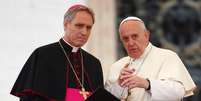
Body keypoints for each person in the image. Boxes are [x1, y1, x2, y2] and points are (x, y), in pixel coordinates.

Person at [10, 4, 104, 101]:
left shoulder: (94, 63)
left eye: (88, 27)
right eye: (79, 25)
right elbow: (28, 98)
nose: (84, 32)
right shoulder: (43, 55)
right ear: (65, 24)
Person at [105, 16, 196, 101]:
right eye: (125, 39)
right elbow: (106, 98)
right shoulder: (116, 66)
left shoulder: (168, 56)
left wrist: (147, 84)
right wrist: (119, 85)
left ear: (146, 35)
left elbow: (178, 92)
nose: (130, 43)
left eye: (135, 36)